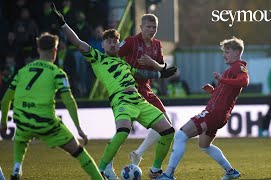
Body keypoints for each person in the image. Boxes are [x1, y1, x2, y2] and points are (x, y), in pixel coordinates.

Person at [50, 3, 176, 180]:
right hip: (121, 100)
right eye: (109, 41)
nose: (113, 44)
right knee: (123, 131)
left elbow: (141, 73)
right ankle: (100, 171)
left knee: (168, 131)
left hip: (138, 99)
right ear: (102, 45)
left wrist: (160, 73)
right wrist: (63, 25)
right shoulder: (98, 58)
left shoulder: (124, 64)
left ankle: (156, 171)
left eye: (115, 42)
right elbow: (78, 42)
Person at [0, 32, 104, 180]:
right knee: (78, 151)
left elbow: (5, 100)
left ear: (38, 49)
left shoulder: (22, 72)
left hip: (22, 120)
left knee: (21, 137)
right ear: (55, 50)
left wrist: (3, 123)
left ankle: (17, 168)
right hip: (47, 123)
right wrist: (79, 128)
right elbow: (69, 100)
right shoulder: (57, 73)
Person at [156, 37, 249, 180]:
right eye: (224, 52)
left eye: (227, 52)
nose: (224, 55)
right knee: (204, 145)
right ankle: (230, 171)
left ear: (237, 53)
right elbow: (226, 94)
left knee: (180, 135)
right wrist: (213, 91)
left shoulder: (238, 67)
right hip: (218, 115)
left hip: (213, 113)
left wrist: (221, 80)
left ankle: (168, 174)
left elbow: (244, 81)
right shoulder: (231, 69)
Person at [118, 14, 172, 178]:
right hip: (128, 89)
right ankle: (105, 167)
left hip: (146, 88)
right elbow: (114, 57)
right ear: (141, 27)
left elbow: (162, 68)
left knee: (167, 126)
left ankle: (138, 155)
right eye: (148, 27)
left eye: (154, 27)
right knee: (122, 130)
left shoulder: (157, 44)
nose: (152, 30)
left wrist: (152, 63)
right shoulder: (130, 42)